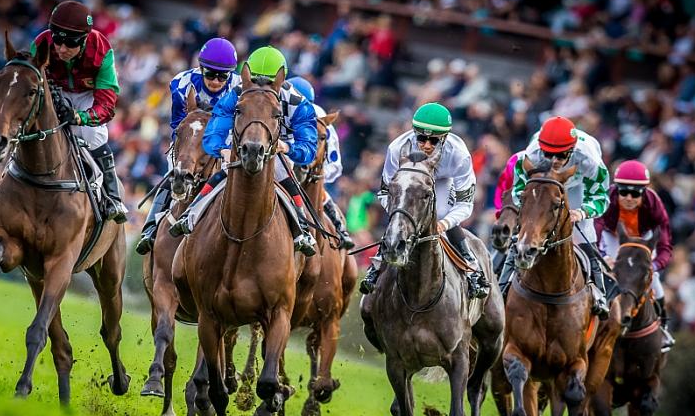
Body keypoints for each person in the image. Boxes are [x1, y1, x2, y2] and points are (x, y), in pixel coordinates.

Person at [167, 46, 319, 256]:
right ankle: (191, 214)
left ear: (280, 81)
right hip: (243, 143)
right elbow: (215, 130)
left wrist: (288, 148)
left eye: (268, 83)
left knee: (283, 173)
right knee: (225, 170)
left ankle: (302, 228)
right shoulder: (236, 94)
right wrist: (221, 150)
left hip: (279, 147)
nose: (260, 88)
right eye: (255, 81)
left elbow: (309, 147)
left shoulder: (298, 103)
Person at [359, 102, 490, 299]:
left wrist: (443, 224)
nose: (427, 145)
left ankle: (471, 266)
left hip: (443, 181)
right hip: (411, 182)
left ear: (445, 137)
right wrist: (400, 213)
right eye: (421, 138)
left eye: (434, 140)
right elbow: (385, 193)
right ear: (414, 133)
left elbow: (465, 205)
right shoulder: (396, 148)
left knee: (442, 211)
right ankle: (376, 265)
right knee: (401, 215)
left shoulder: (459, 155)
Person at [135, 37, 241, 255]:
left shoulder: (239, 88)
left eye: (222, 76)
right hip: (189, 137)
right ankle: (151, 227)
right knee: (174, 170)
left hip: (224, 139)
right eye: (210, 74)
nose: (216, 81)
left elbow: (237, 127)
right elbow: (178, 124)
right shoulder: (181, 83)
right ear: (201, 68)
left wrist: (221, 149)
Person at [499, 115, 611, 319]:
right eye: (548, 154)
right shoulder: (529, 157)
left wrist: (582, 212)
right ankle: (501, 286)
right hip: (542, 188)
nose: (554, 161)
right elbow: (517, 192)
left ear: (572, 151)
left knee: (585, 232)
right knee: (522, 235)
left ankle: (600, 294)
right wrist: (530, 213)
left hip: (577, 188)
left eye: (561, 156)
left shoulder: (590, 160)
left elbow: (601, 198)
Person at [30, 0, 127, 223]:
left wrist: (79, 117)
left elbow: (107, 105)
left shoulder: (102, 49)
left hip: (87, 95)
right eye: (58, 40)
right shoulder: (41, 43)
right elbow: (29, 81)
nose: (62, 49)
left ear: (84, 39)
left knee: (93, 134)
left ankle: (112, 196)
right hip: (53, 90)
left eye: (70, 43)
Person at [595, 160, 676, 350]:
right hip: (613, 235)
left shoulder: (654, 203)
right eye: (624, 192)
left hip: (642, 236)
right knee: (604, 273)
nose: (629, 198)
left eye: (635, 193)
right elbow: (595, 232)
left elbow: (665, 246)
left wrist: (654, 266)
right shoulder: (607, 199)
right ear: (616, 189)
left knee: (653, 278)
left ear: (644, 192)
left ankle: (663, 326)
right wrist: (602, 257)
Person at [285, 75, 354, 249]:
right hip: (284, 170)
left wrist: (316, 173)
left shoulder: (322, 122)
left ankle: (340, 228)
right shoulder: (280, 113)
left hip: (312, 174)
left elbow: (335, 165)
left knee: (319, 190)